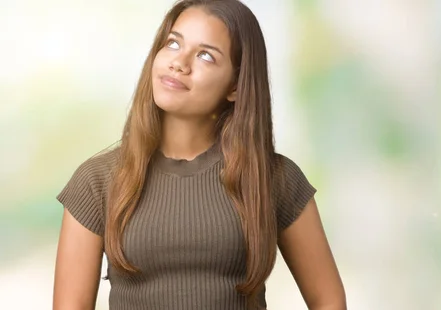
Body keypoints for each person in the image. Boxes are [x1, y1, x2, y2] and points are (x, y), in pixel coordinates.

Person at [52, 0, 346, 309]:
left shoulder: (274, 178)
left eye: (205, 55)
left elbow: (329, 300)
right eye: (173, 43)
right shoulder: (96, 181)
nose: (179, 63)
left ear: (235, 85)